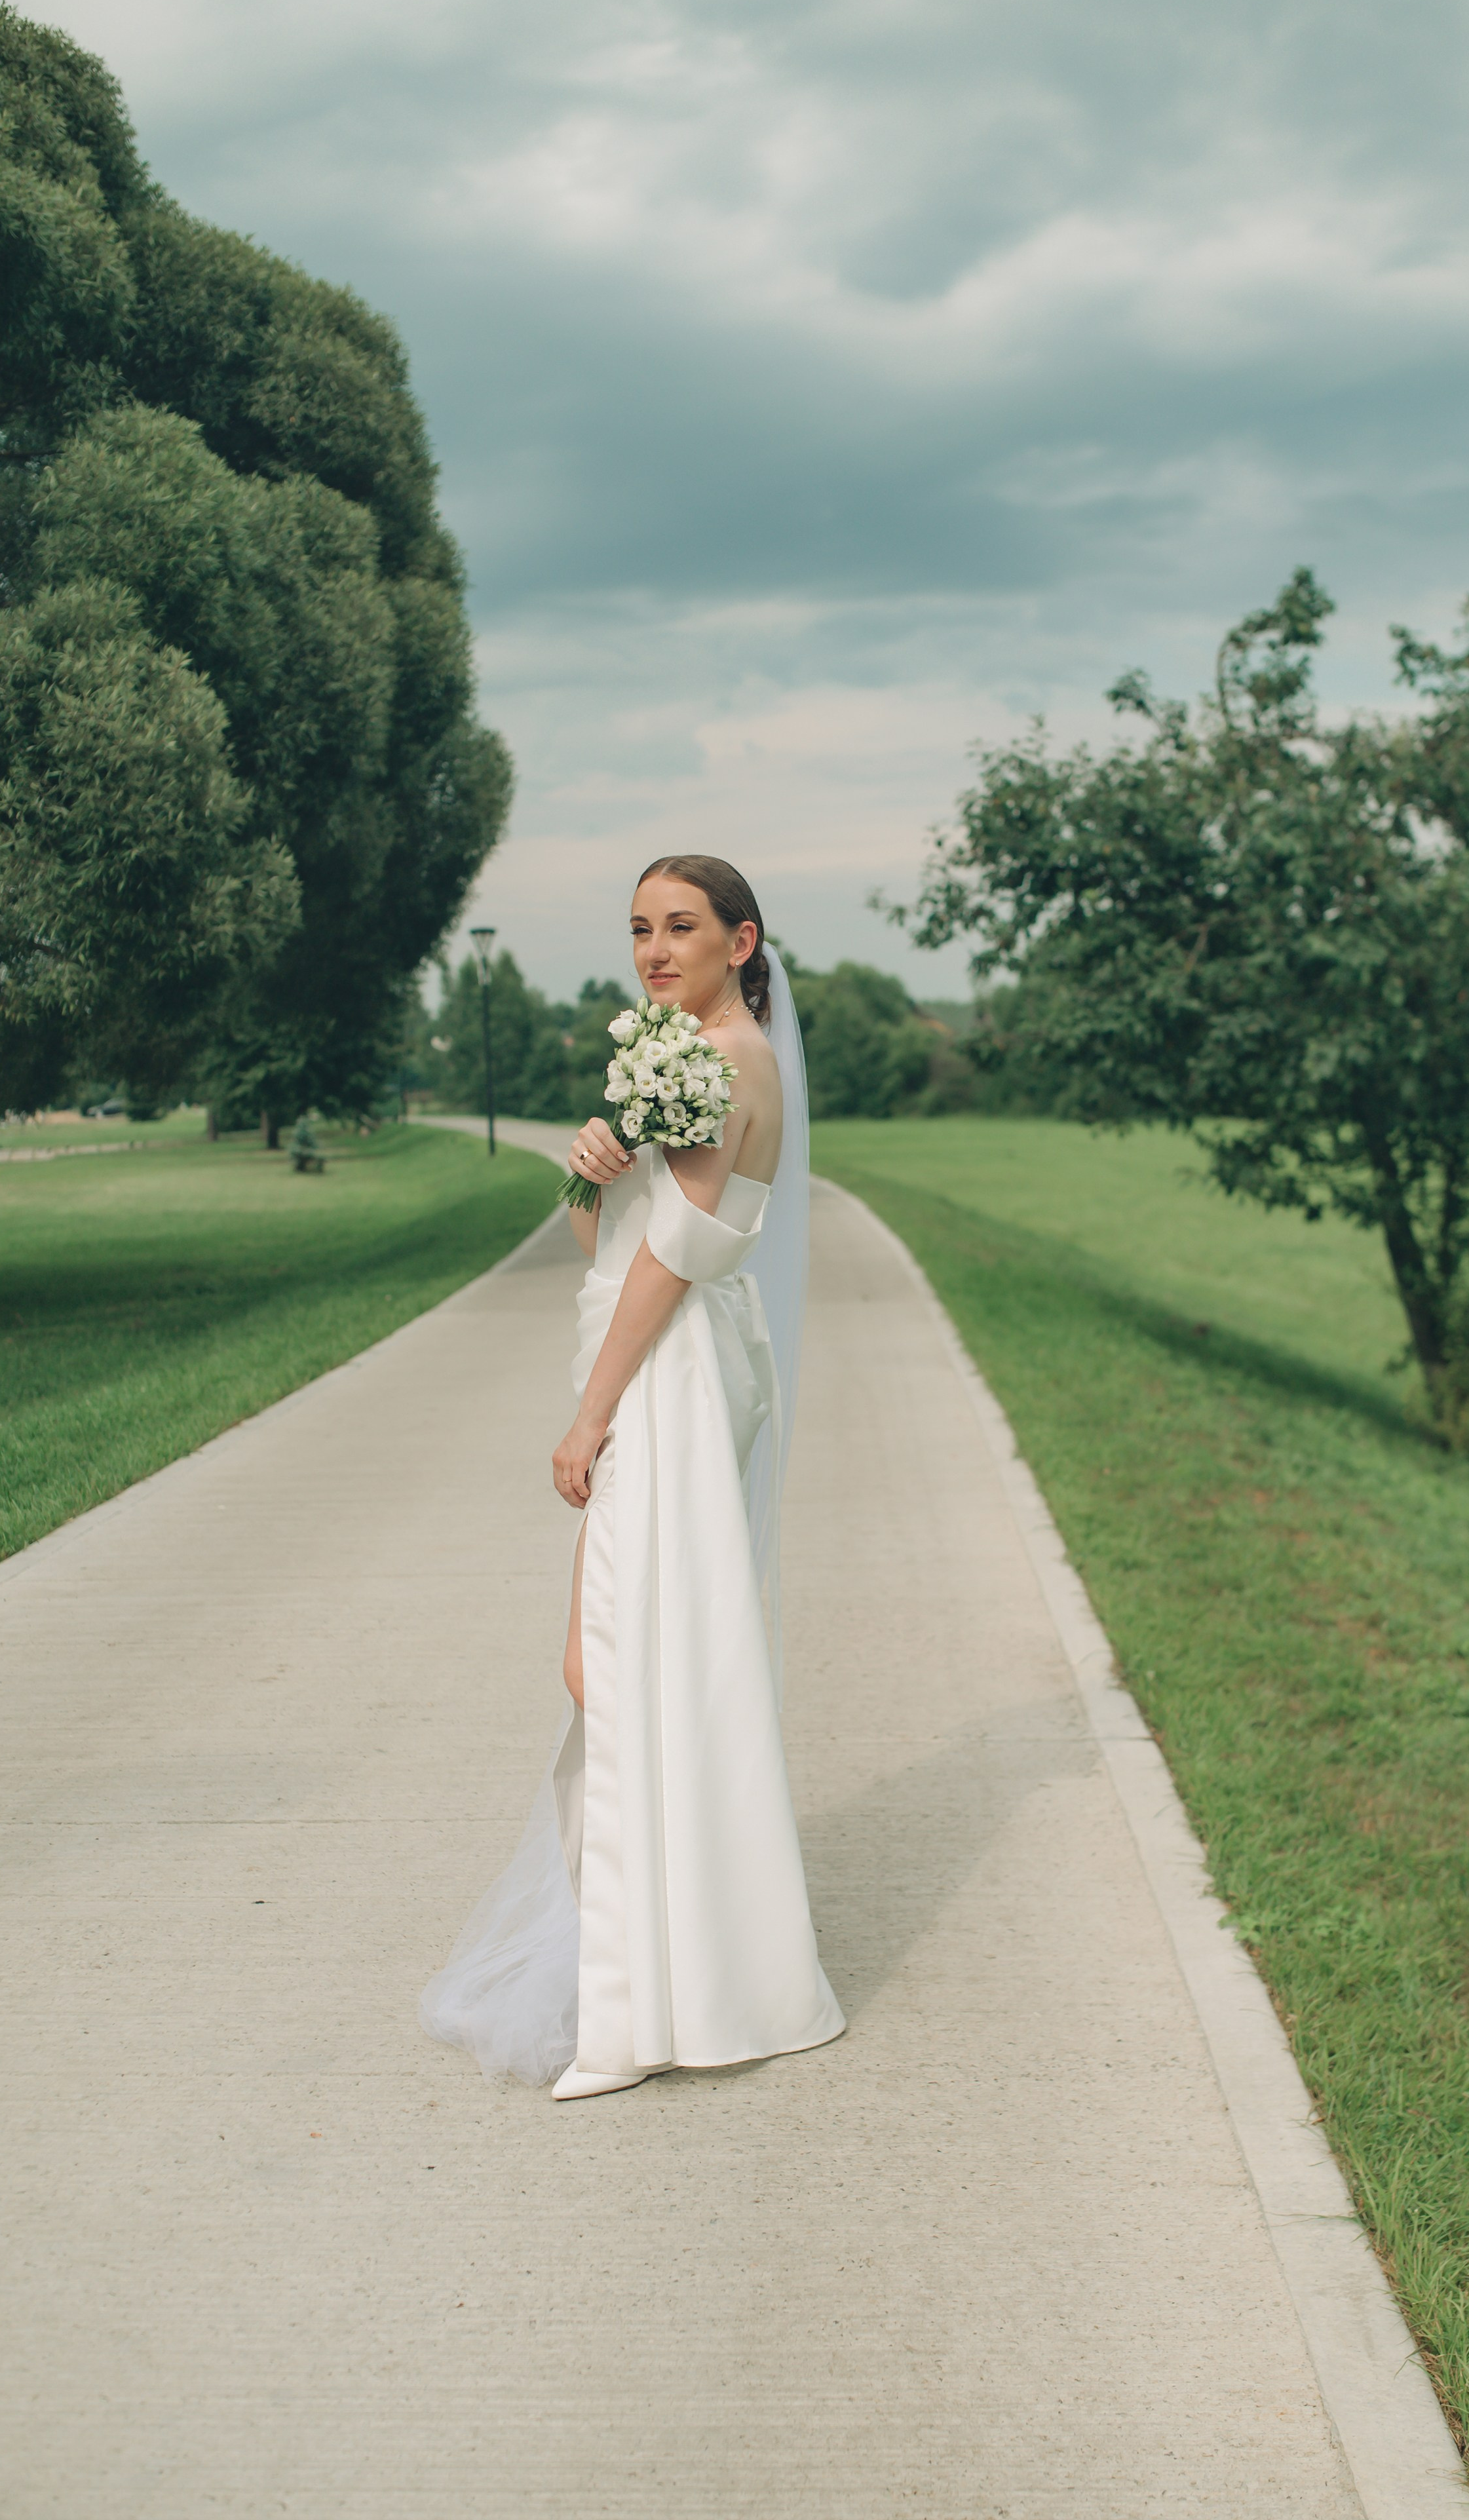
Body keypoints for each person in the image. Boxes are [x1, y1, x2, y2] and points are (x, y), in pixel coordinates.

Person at [421, 855, 843, 2099]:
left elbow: (671, 1258)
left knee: (618, 1656)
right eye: (641, 930)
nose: (655, 950)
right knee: (639, 1657)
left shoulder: (722, 1064)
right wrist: (595, 1174)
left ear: (741, 940)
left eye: (682, 928)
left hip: (659, 1378)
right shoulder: (701, 1056)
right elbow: (617, 1239)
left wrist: (588, 1416)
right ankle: (671, 1960)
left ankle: (651, 1987)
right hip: (667, 1361)